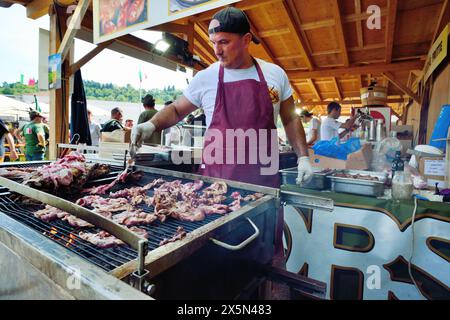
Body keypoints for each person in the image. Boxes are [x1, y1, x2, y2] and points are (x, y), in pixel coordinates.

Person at [131, 7, 313, 298]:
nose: (217, 49)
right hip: (218, 187)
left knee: (266, 258)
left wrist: (303, 156)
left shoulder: (273, 74)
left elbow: (291, 117)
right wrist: (151, 124)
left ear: (246, 39)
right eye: (214, 42)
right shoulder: (206, 77)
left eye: (224, 42)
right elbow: (177, 109)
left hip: (262, 187)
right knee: (216, 262)